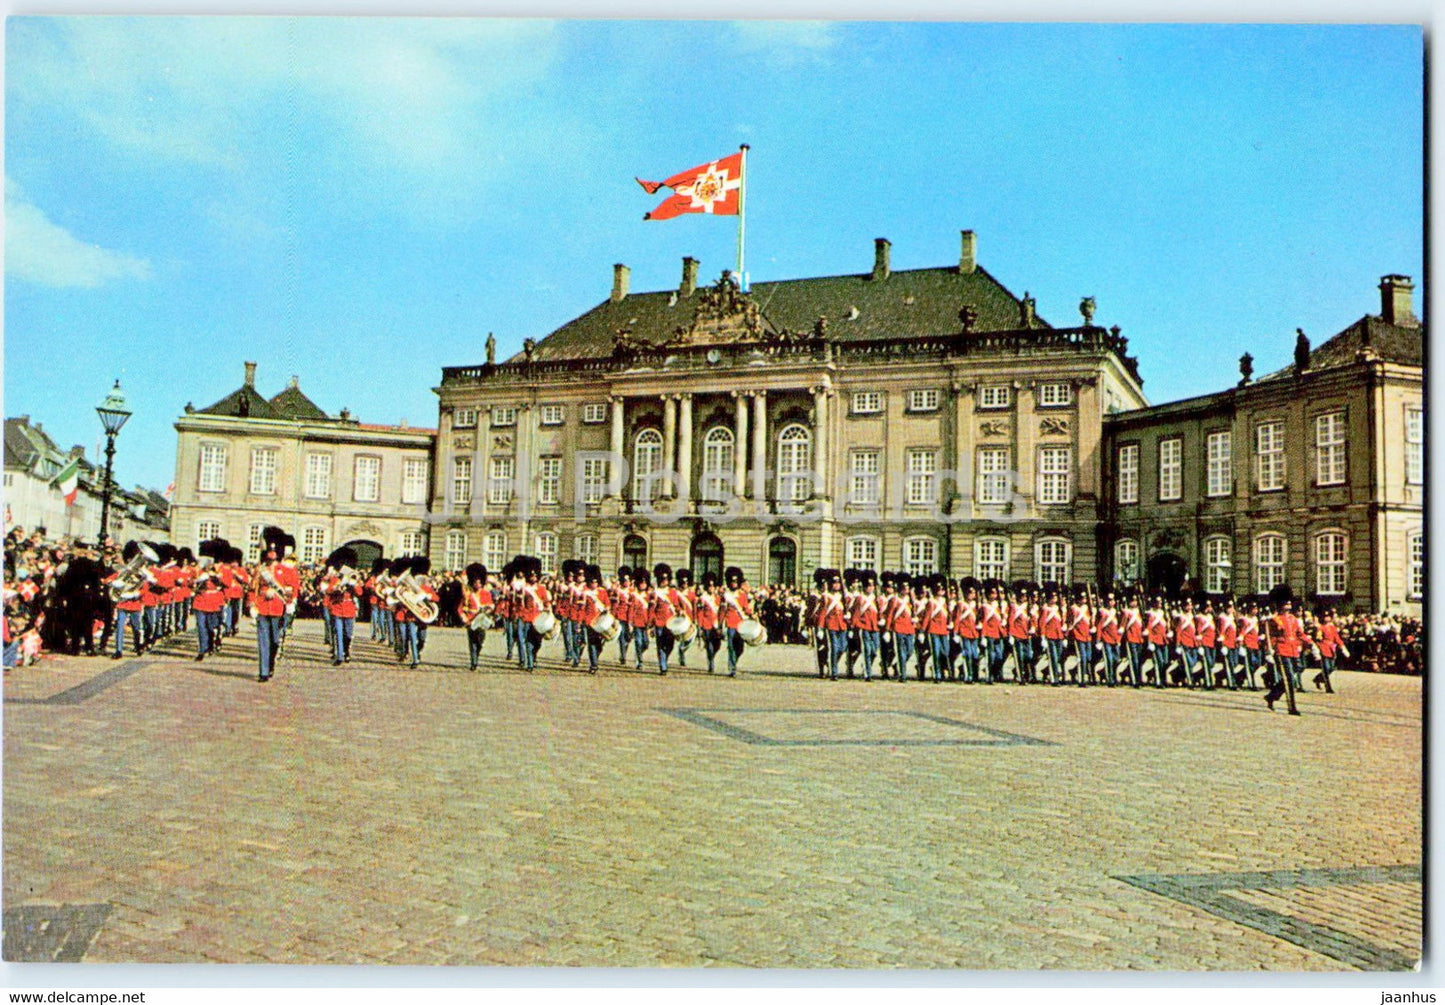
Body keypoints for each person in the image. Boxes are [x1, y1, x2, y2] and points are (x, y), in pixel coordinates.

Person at [251, 527, 296, 682]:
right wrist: (252, 605)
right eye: (269, 550)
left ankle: (270, 664)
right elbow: (253, 588)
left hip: (278, 607)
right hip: (262, 606)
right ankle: (263, 671)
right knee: (263, 640)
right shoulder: (260, 569)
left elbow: (290, 589)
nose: (272, 553)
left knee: (275, 640)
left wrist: (289, 603)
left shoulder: (286, 570)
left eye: (274, 550)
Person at [321, 546, 362, 665]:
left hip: (349, 608)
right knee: (338, 632)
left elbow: (360, 593)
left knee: (348, 634)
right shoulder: (335, 578)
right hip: (337, 607)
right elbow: (328, 590)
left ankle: (346, 651)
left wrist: (353, 585)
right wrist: (336, 588)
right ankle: (339, 656)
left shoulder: (353, 579)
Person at [458, 563, 494, 671]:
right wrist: (463, 617)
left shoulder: (486, 594)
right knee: (472, 641)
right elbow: (460, 608)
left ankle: (476, 655)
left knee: (480, 641)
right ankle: (473, 662)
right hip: (471, 619)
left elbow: (490, 605)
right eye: (475, 582)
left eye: (479, 582)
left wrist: (488, 609)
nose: (477, 584)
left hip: (482, 620)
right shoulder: (468, 594)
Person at [576, 564, 609, 674]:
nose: (594, 584)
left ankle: (595, 658)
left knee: (599, 645)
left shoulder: (602, 592)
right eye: (592, 582)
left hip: (601, 620)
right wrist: (580, 623)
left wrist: (606, 609)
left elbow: (607, 604)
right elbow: (581, 609)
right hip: (590, 621)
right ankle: (594, 664)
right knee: (591, 643)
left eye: (595, 582)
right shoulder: (585, 593)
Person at [721, 566, 753, 677]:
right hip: (730, 623)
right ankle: (732, 668)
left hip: (741, 624)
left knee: (740, 648)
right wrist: (719, 625)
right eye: (731, 581)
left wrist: (751, 614)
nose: (733, 583)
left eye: (735, 581)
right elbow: (722, 611)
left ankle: (734, 661)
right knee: (731, 647)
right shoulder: (726, 596)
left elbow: (746, 608)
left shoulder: (742, 595)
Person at [850, 570, 881, 681]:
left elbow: (879, 611)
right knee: (867, 650)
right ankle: (868, 673)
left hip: (875, 627)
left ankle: (866, 666)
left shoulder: (876, 598)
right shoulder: (860, 598)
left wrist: (881, 619)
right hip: (864, 626)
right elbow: (856, 613)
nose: (871, 588)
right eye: (868, 585)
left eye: (872, 585)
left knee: (874, 651)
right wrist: (853, 627)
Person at [651, 563, 680, 675]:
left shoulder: (672, 592)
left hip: (670, 622)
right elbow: (652, 609)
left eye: (666, 579)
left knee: (670, 645)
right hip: (659, 621)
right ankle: (663, 666)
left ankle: (664, 659)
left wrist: (680, 611)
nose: (664, 581)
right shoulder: (655, 593)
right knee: (660, 644)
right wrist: (652, 623)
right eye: (662, 579)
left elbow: (676, 605)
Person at [1313, 607, 1346, 694]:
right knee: (1326, 668)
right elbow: (1318, 638)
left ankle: (1318, 678)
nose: (1327, 618)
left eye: (1328, 617)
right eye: (1325, 617)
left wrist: (1342, 646)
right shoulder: (1321, 627)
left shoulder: (1332, 627)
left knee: (1331, 668)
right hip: (1324, 648)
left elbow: (1337, 638)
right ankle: (1328, 687)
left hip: (1331, 649)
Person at [695, 571, 723, 673]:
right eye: (709, 586)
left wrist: (721, 624)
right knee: (710, 645)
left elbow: (721, 611)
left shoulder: (718, 598)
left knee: (717, 645)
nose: (711, 587)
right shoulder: (702, 599)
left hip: (716, 625)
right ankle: (711, 663)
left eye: (713, 585)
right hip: (706, 624)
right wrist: (700, 626)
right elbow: (700, 613)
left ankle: (711, 657)